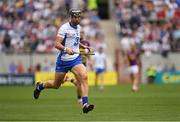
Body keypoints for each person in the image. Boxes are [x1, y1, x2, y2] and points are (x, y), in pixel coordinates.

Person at [33, 8, 94, 114]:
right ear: (71, 17)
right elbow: (56, 44)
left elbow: (74, 41)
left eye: (79, 17)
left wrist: (83, 45)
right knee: (56, 85)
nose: (77, 19)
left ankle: (85, 104)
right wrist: (66, 49)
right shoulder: (64, 28)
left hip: (75, 60)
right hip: (63, 61)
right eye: (75, 17)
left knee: (84, 76)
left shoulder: (79, 28)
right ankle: (40, 86)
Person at [64, 28, 92, 105]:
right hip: (76, 63)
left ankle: (69, 79)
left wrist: (90, 60)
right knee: (80, 82)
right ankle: (80, 99)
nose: (82, 34)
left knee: (81, 82)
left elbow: (88, 53)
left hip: (84, 63)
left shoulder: (87, 43)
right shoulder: (74, 42)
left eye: (83, 32)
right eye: (81, 32)